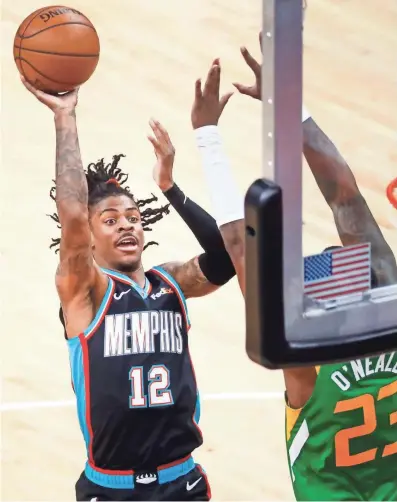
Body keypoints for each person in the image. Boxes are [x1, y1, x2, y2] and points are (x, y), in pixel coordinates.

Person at [194, 47, 397, 501]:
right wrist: (290, 105)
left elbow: (238, 248)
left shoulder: (306, 367)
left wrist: (207, 136)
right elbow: (346, 197)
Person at [20, 74, 235, 502]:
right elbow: (73, 214)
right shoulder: (85, 291)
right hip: (112, 487)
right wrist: (66, 118)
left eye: (133, 217)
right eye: (111, 220)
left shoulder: (170, 283)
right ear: (91, 235)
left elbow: (228, 256)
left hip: (182, 480)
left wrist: (169, 186)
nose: (127, 226)